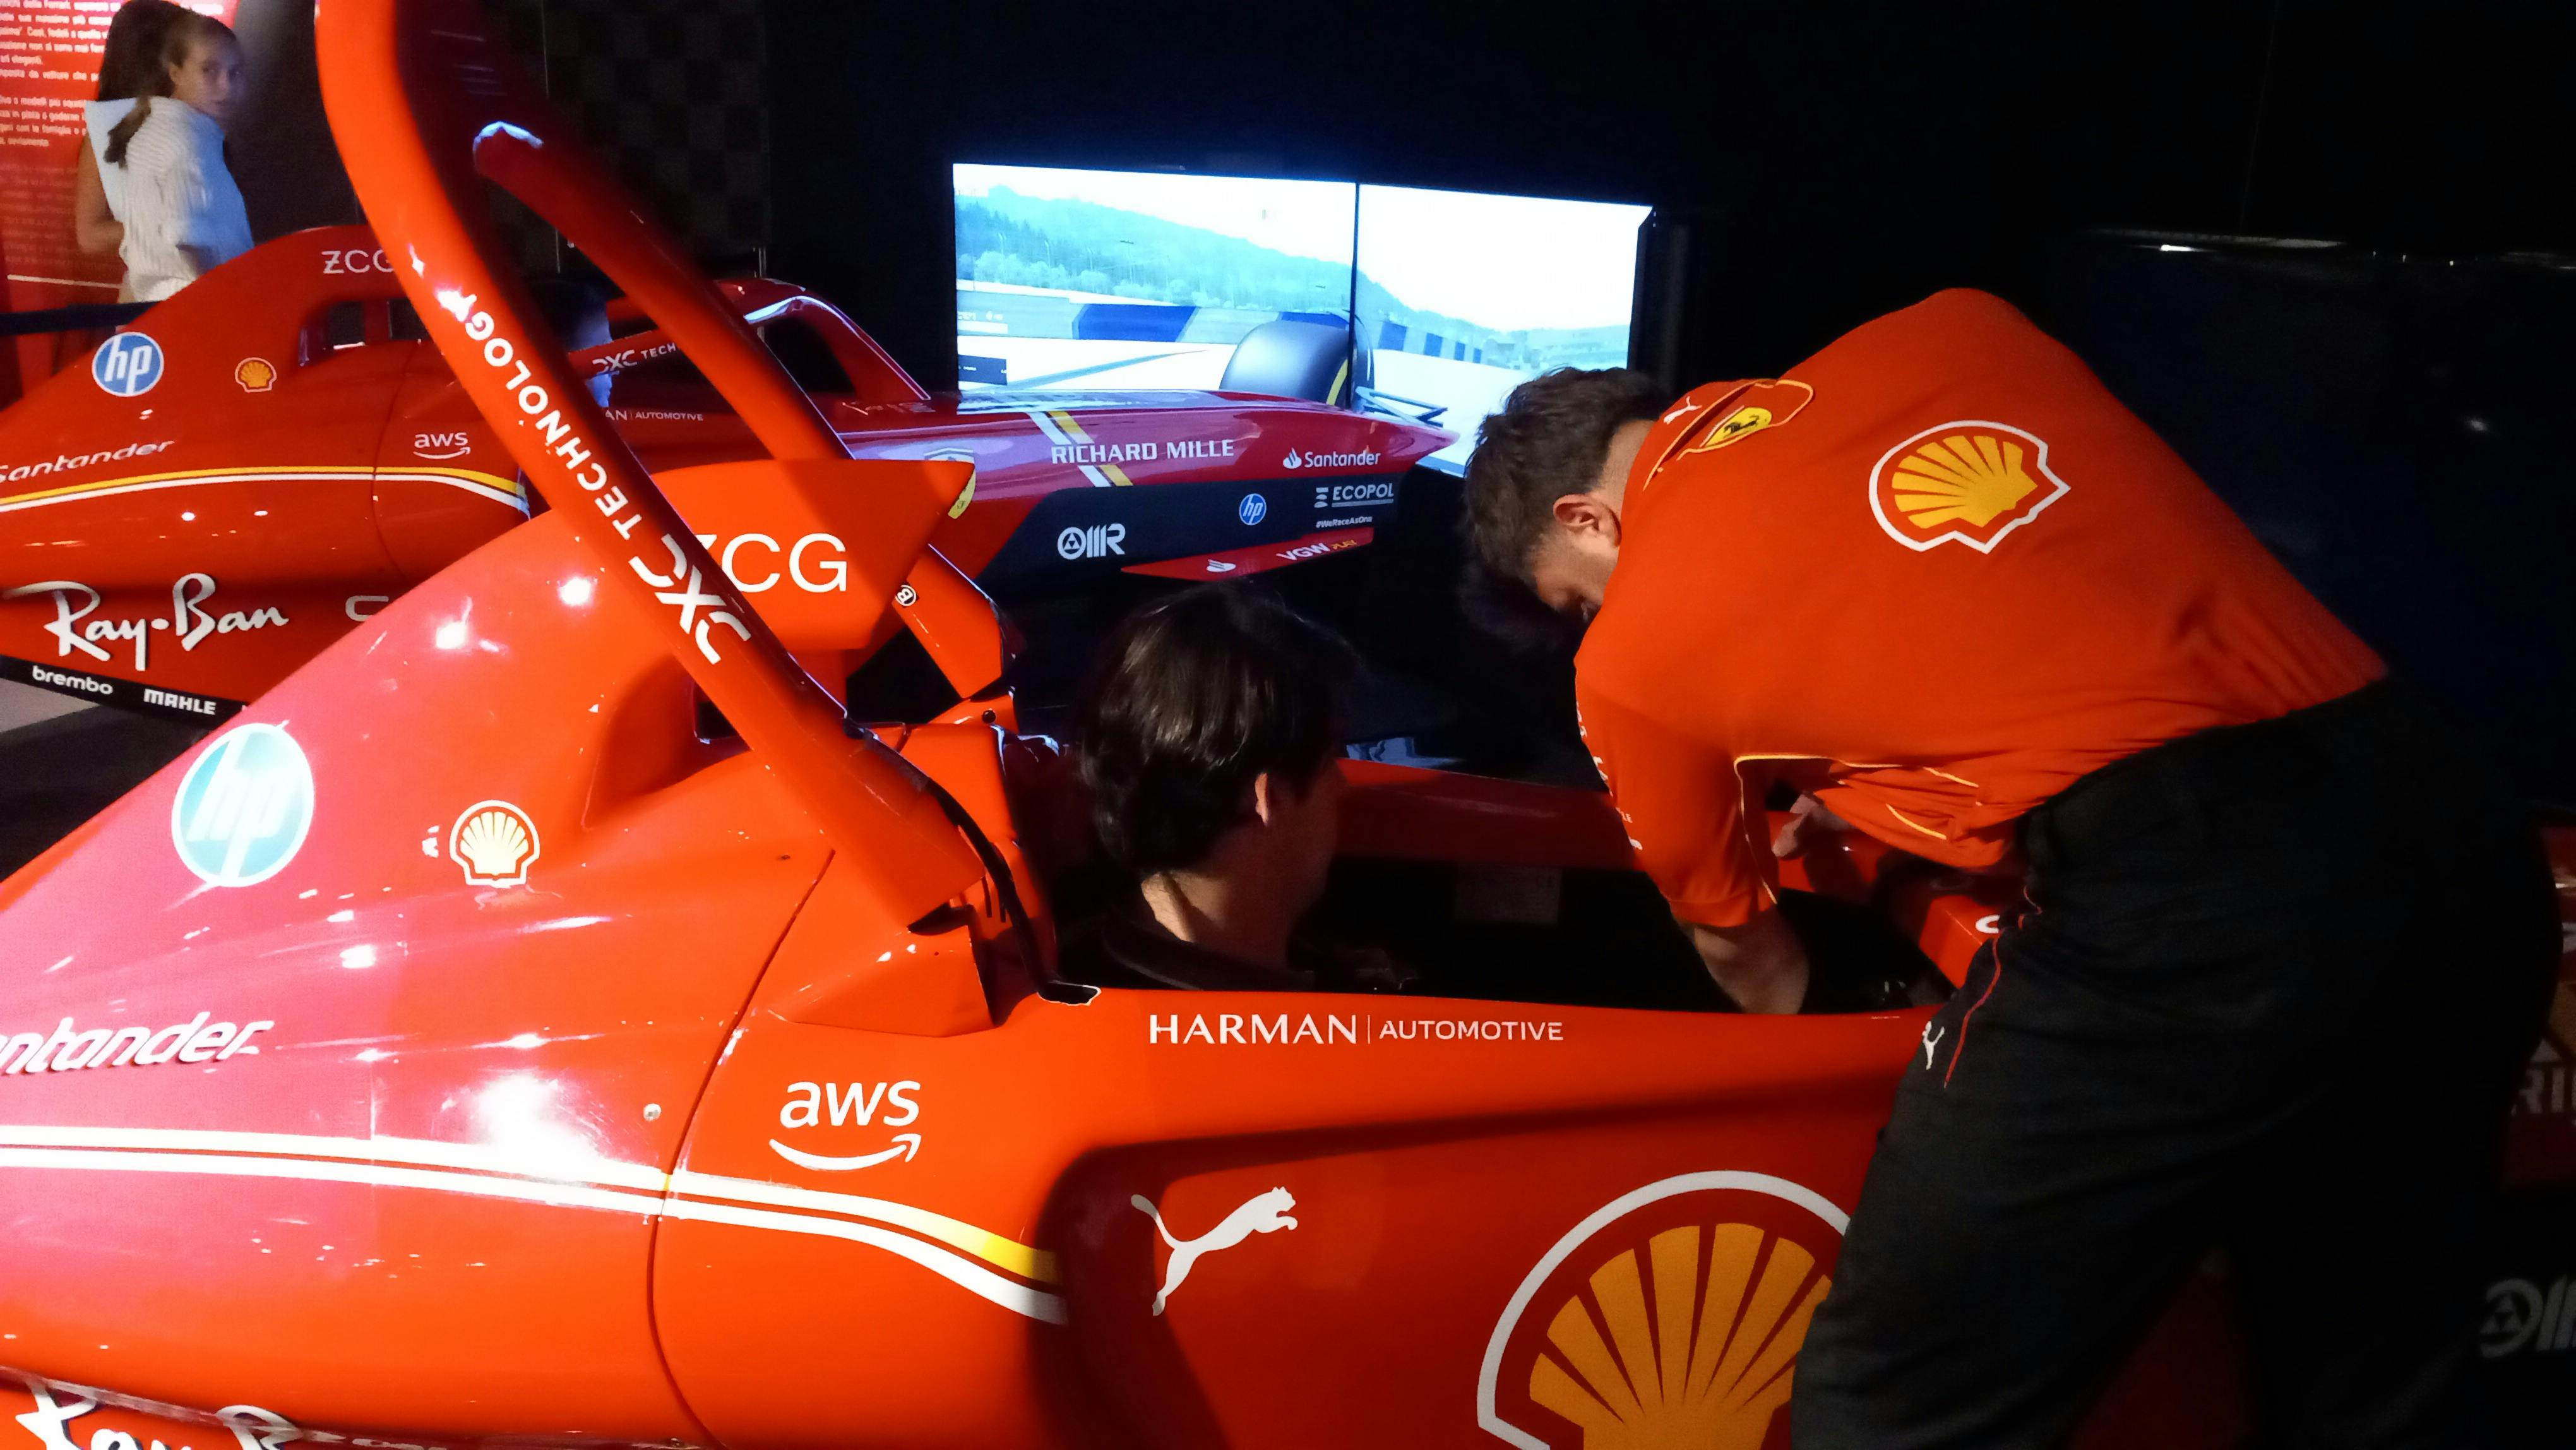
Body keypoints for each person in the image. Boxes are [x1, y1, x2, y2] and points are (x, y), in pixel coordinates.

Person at [1461, 289, 2558, 1446]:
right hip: (2453, 817)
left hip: (2197, 904)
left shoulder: (1628, 660)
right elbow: (2014, 596)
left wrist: (1820, 1054)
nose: (1594, 625)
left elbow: (1740, 942)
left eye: (1577, 599)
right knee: (2368, 1368)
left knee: (1894, 1404)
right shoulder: (1955, 329)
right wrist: (1877, 782)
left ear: (1589, 518)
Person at [1064, 585, 1404, 993]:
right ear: (1268, 797)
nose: (1343, 785)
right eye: (1331, 759)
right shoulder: (1281, 1027)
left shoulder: (1075, 969)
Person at [101, 10, 250, 302]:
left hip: (160, 303)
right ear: (175, 73)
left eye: (234, 72)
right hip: (192, 304)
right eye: (209, 70)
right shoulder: (188, 141)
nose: (227, 86)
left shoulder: (155, 128)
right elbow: (188, 235)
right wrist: (226, 297)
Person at [71, 0, 186, 299]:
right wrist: (165, 226)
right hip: (151, 290)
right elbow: (90, 235)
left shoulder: (193, 116)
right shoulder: (106, 133)